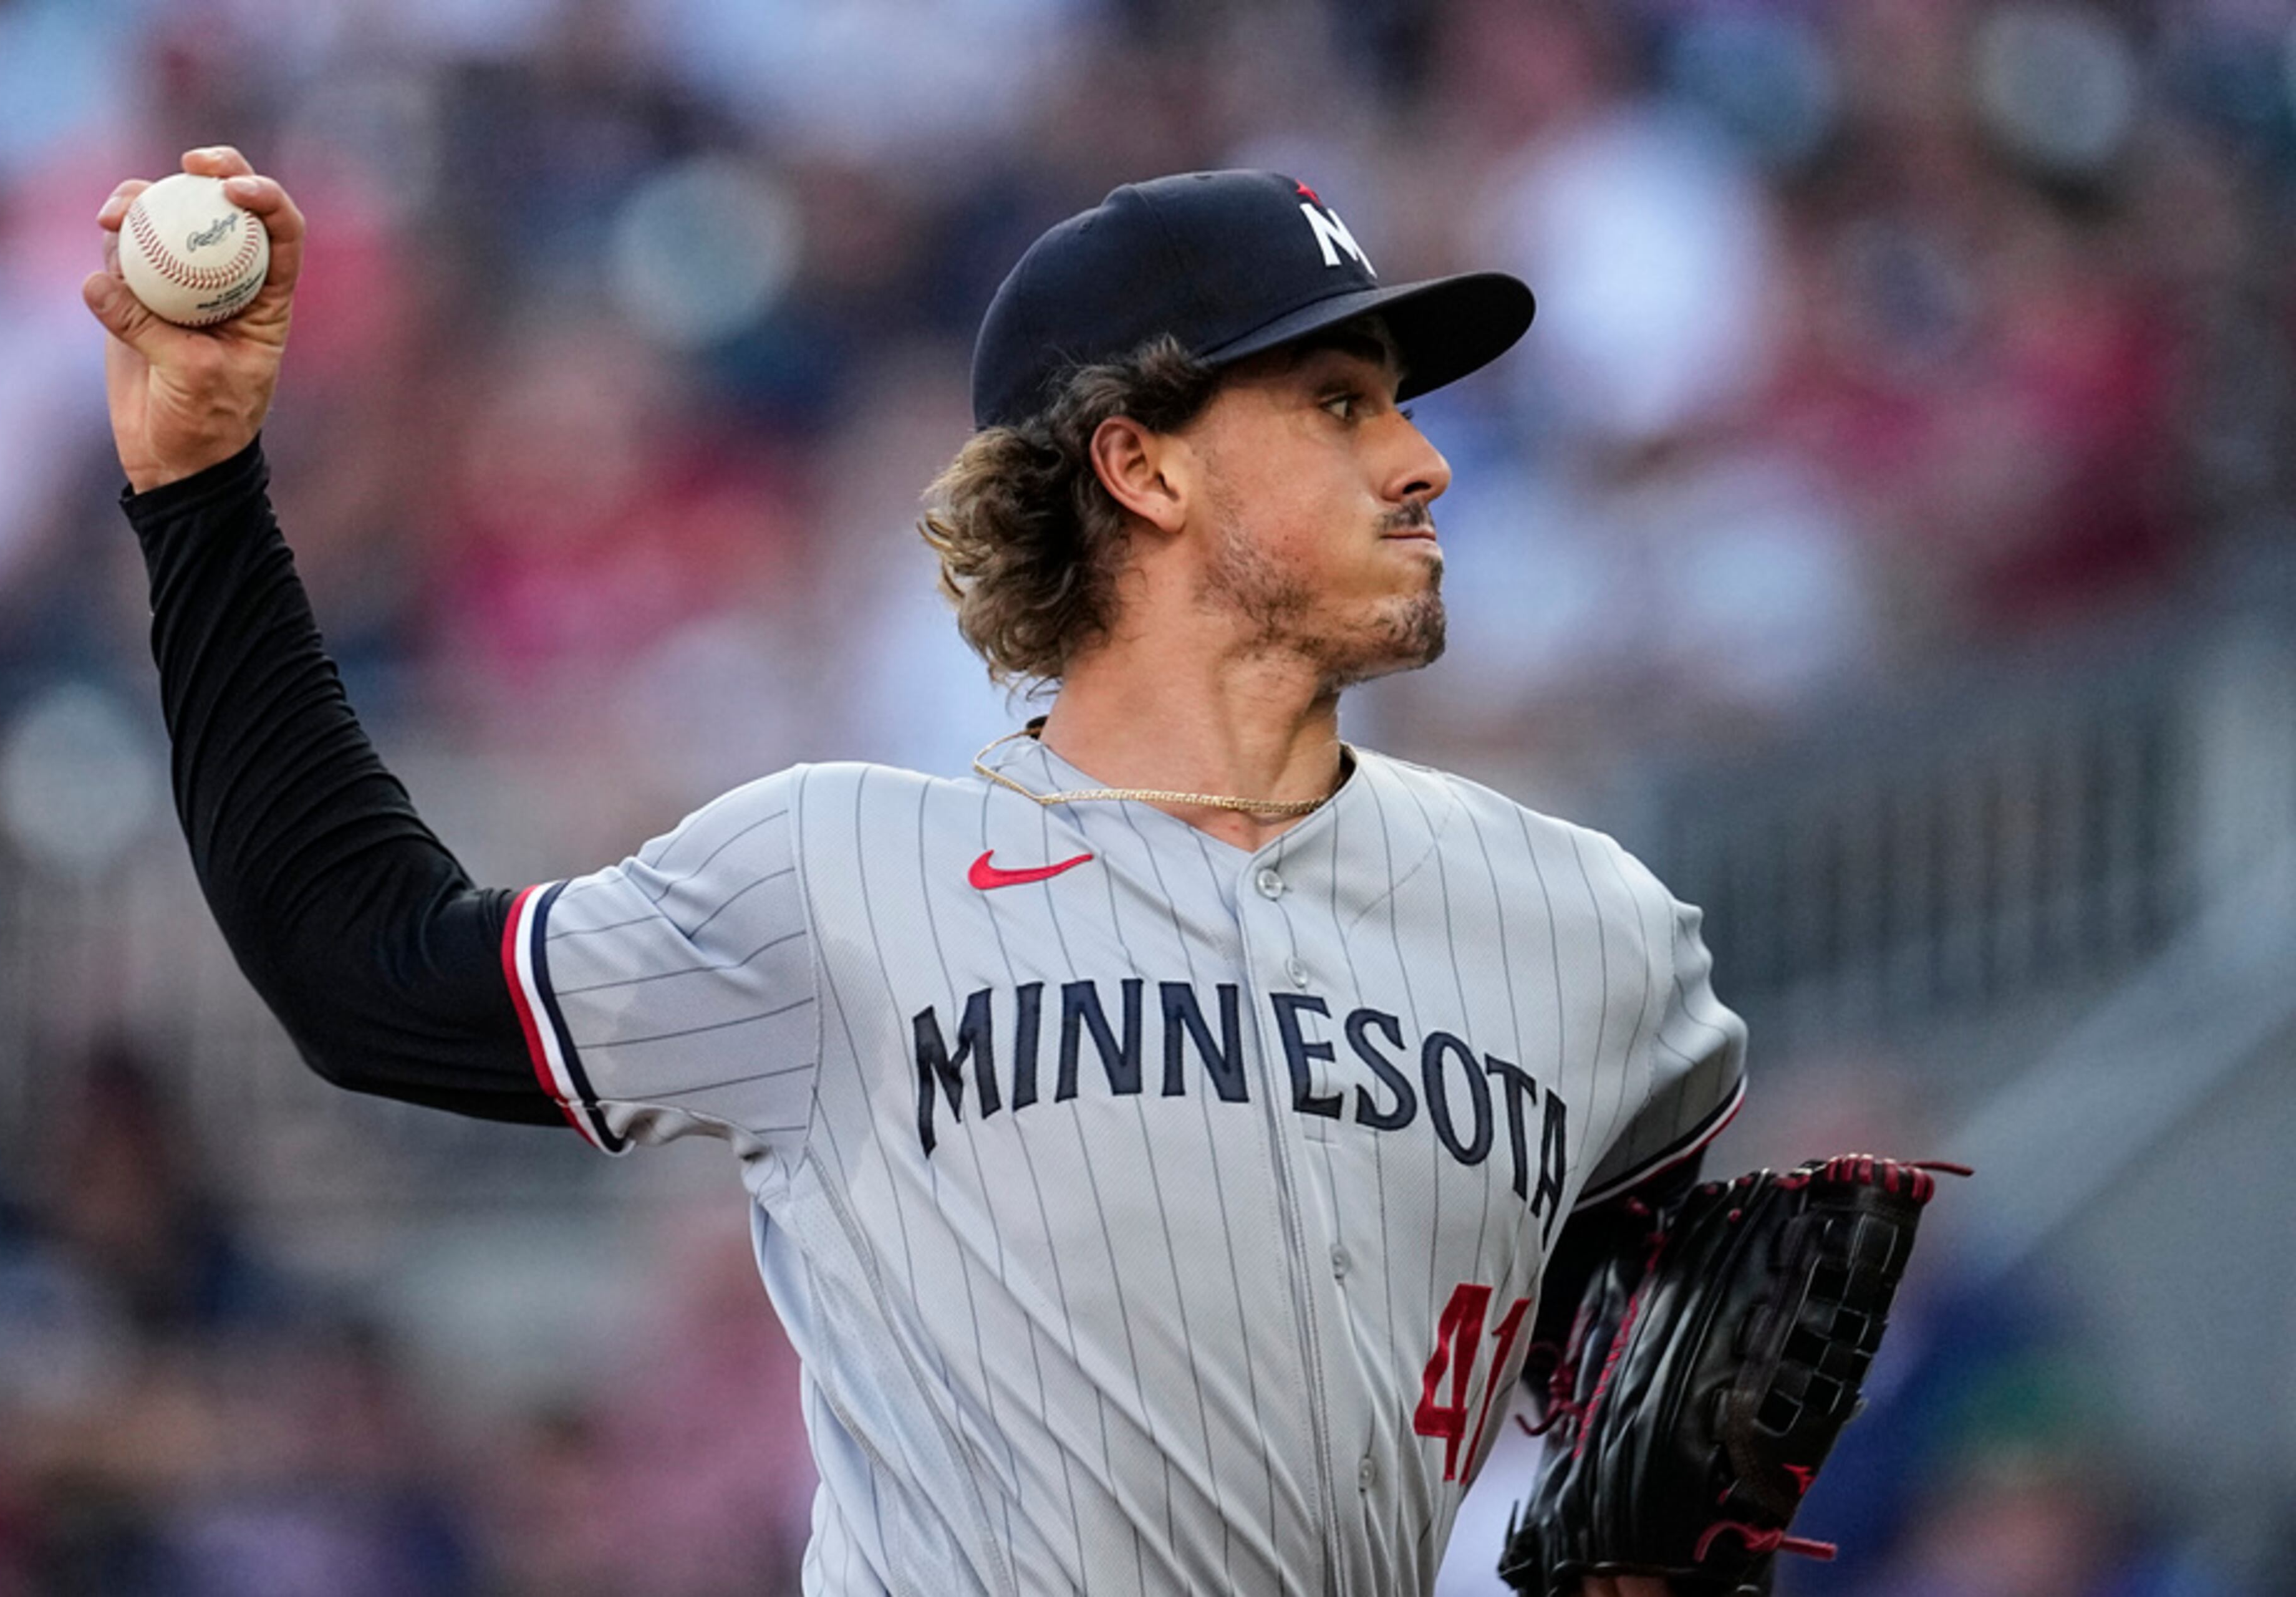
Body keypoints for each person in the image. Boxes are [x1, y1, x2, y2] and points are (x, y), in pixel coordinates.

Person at [85, 147, 1747, 1597]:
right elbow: (358, 963)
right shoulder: (838, 879)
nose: (1421, 458)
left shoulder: (1592, 938)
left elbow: (1627, 1373)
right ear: (1141, 466)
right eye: (1337, 404)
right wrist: (201, 487)